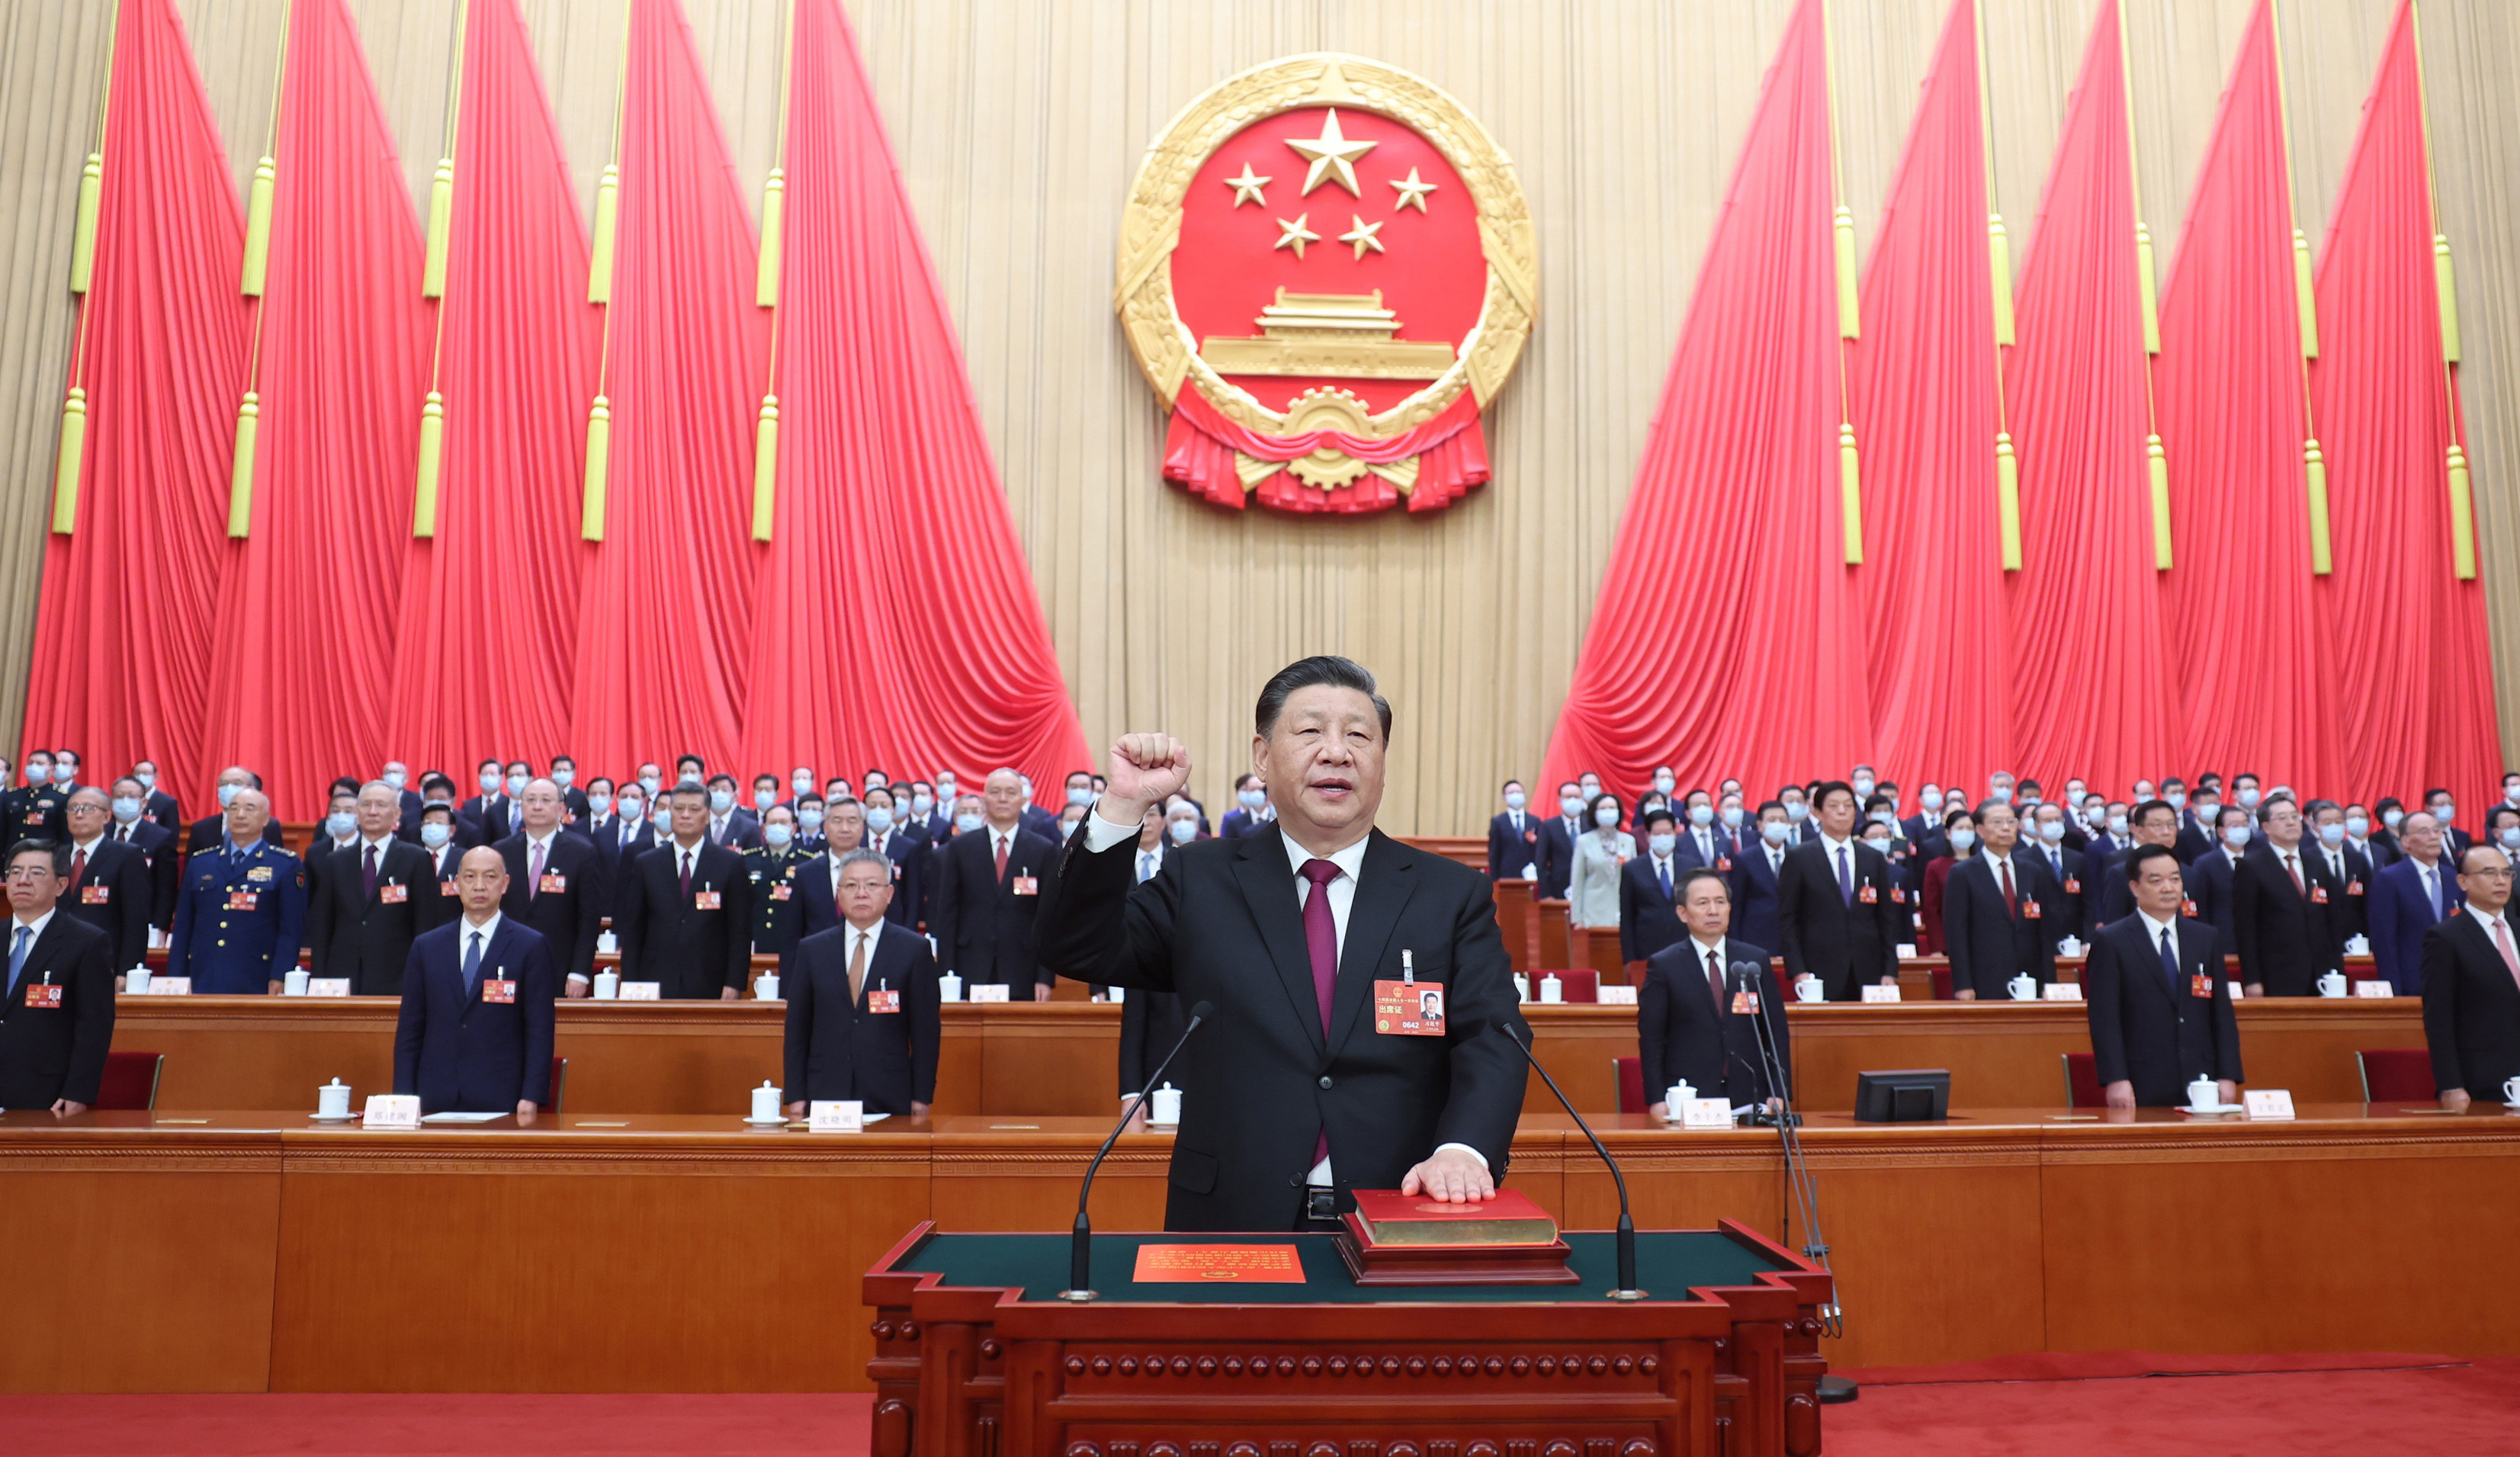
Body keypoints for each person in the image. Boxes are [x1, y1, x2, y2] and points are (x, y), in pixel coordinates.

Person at [1033, 655, 1527, 1231]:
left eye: (1359, 736)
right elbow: (1076, 947)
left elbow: (1494, 1038)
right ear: (1262, 758)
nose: (1337, 752)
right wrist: (1122, 806)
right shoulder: (1200, 878)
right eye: (1311, 731)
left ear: (1382, 764)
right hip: (1231, 1214)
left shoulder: (1450, 894)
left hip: (1397, 1208)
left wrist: (1463, 1149)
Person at [391, 846, 557, 1115]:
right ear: (456, 884)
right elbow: (410, 1028)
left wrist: (532, 1095)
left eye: (490, 877)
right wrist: (403, 1095)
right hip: (433, 1094)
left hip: (503, 1095)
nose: (479, 886)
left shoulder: (530, 946)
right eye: (470, 877)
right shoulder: (427, 947)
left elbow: (539, 1029)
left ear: (505, 885)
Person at [780, 849, 941, 1119]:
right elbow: (797, 1028)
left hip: (891, 1092)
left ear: (889, 894)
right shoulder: (812, 950)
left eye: (872, 885)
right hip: (824, 1091)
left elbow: (926, 1032)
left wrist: (921, 1095)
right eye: (851, 885)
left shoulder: (913, 950)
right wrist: (796, 1096)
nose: (861, 893)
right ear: (838, 894)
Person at [2083, 845, 2242, 1109]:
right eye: (2156, 881)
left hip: (2202, 1077)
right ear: (2134, 887)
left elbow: (2221, 1012)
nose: (2168, 887)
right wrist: (2116, 1078)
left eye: (2175, 879)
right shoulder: (2112, 941)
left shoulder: (2205, 938)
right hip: (2142, 1076)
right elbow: (2104, 1018)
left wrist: (2229, 1074)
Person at [1639, 867, 1789, 1116]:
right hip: (1688, 1092)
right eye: (1703, 903)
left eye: (1720, 902)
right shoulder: (1664, 965)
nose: (1713, 910)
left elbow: (1775, 1033)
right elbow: (1652, 1040)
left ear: (1730, 907)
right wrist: (1656, 1098)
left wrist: (1779, 1091)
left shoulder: (1754, 961)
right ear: (1682, 913)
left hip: (1749, 1092)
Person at [0, 839, 116, 1112]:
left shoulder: (87, 942)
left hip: (46, 1093)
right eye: (15, 872)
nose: (23, 880)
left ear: (61, 885)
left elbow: (94, 1025)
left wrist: (78, 1091)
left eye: (36, 873)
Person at [930, 769, 1061, 1000]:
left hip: (1023, 969)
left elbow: (1049, 918)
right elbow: (947, 915)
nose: (1002, 798)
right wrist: (946, 975)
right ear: (984, 799)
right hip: (968, 966)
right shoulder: (960, 848)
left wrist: (1045, 977)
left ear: (1023, 799)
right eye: (995, 792)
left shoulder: (1043, 850)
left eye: (1011, 792)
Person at [615, 783, 751, 999]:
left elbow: (739, 931)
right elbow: (633, 930)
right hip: (654, 980)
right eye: (678, 809)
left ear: (707, 816)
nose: (685, 815)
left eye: (694, 809)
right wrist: (630, 983)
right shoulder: (646, 863)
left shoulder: (730, 864)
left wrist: (734, 983)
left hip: (711, 980)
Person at [165, 787, 307, 994]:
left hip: (257, 975)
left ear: (266, 819)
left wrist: (280, 974)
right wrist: (176, 976)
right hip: (203, 974)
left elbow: (291, 929)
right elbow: (184, 926)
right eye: (234, 808)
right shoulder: (201, 862)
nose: (240, 815)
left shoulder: (285, 864)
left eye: (250, 809)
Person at [1777, 781, 1902, 1000]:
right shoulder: (1800, 858)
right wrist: (1798, 971)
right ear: (1817, 812)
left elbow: (1886, 919)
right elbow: (1788, 920)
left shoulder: (1872, 858)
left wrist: (1890, 970)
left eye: (1848, 805)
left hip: (1869, 970)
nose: (1842, 811)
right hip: (1818, 971)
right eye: (1834, 806)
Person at [303, 781, 431, 995]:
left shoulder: (415, 859)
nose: (373, 812)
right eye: (366, 805)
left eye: (381, 805)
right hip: (341, 976)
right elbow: (323, 925)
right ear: (357, 812)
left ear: (396, 813)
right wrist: (319, 977)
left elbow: (424, 925)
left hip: (397, 975)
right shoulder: (335, 862)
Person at [2422, 843, 2520, 1111]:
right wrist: (2451, 1085)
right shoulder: (2446, 938)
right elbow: (2439, 1019)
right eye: (2489, 873)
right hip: (2483, 1076)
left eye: (2506, 873)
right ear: (2463, 881)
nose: (2501, 881)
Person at [498, 778, 608, 997]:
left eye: (545, 800)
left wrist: (579, 972)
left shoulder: (582, 853)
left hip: (559, 965)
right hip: (506, 963)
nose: (537, 806)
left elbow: (589, 918)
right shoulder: (501, 852)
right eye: (530, 800)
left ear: (561, 808)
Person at [1942, 799, 2059, 1000]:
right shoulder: (1962, 874)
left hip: (2031, 978)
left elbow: (2045, 933)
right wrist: (1963, 985)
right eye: (1997, 822)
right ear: (1979, 830)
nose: (2005, 828)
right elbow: (1957, 934)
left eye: (2011, 822)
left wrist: (2050, 982)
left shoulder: (2033, 872)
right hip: (1985, 978)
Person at [2233, 796, 2335, 996]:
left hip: (2322, 974)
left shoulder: (2317, 864)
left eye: (2294, 816)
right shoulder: (2251, 866)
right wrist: (2253, 980)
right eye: (2282, 817)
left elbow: (2332, 920)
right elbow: (2245, 928)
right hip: (2277, 975)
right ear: (2266, 827)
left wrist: (2336, 969)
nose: (2291, 822)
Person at [56, 786, 150, 975]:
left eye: (88, 808)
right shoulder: (55, 855)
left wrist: (127, 971)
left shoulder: (127, 856)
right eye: (73, 809)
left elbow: (135, 921)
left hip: (104, 963)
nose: (79, 815)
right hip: (57, 961)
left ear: (107, 817)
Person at [2371, 810, 2459, 993]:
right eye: (2424, 832)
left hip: (2455, 981)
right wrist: (2394, 989)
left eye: (2437, 830)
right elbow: (2385, 941)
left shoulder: (2454, 878)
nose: (2434, 836)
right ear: (2406, 842)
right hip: (2413, 981)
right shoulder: (2389, 879)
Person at [104, 776, 178, 932]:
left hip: (143, 922)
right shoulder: (101, 832)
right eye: (119, 797)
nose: (125, 801)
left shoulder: (160, 836)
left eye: (131, 797)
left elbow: (165, 888)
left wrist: (160, 926)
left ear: (144, 803)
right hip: (103, 920)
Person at [743, 804, 811, 970]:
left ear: (794, 828)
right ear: (764, 829)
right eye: (773, 823)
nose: (778, 827)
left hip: (793, 944)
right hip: (755, 943)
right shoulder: (747, 860)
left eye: (783, 822)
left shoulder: (807, 863)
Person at [1618, 806, 1687, 968]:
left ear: (1675, 834)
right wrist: (1629, 958)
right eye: (1657, 834)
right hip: (1647, 949)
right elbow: (1627, 917)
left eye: (1667, 833)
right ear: (1648, 836)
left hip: (1684, 946)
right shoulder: (1632, 869)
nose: (1663, 837)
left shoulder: (1690, 866)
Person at [2305, 799, 2374, 961]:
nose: (2334, 826)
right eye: (2327, 822)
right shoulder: (2307, 859)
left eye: (2338, 821)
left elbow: (2368, 901)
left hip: (2355, 939)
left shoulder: (2357, 859)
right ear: (2315, 826)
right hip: (2319, 939)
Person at [186, 767, 283, 864]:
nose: (229, 789)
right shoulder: (201, 828)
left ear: (252, 788)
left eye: (236, 783)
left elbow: (277, 864)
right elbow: (191, 872)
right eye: (223, 784)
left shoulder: (269, 826)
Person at [1567, 792, 1632, 932]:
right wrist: (1577, 918)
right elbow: (1578, 882)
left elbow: (1635, 878)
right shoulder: (1584, 842)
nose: (1608, 812)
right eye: (1603, 808)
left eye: (1612, 808)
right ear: (1594, 813)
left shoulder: (1629, 841)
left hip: (1624, 910)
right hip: (1593, 912)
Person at [1732, 801, 1793, 952]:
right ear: (1760, 825)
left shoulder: (1798, 856)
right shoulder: (1744, 859)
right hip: (1757, 938)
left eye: (1783, 820)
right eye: (1772, 820)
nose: (1778, 824)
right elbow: (1736, 904)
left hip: (1793, 936)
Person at [2025, 802, 2089, 945]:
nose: (2054, 824)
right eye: (2048, 820)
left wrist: (2088, 939)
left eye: (2058, 820)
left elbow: (2088, 902)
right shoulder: (2024, 859)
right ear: (2036, 825)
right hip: (2040, 937)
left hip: (2075, 937)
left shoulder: (2077, 858)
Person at [1918, 807, 1977, 955]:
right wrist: (1937, 948)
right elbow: (1932, 911)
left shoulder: (1983, 864)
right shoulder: (1936, 867)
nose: (1965, 832)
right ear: (1948, 833)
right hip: (1951, 941)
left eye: (1969, 828)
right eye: (1960, 828)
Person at [413, 803, 466, 935]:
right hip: (416, 933)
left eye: (439, 823)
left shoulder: (465, 859)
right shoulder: (411, 858)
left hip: (454, 931)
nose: (433, 828)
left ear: (452, 830)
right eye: (428, 823)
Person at [1535, 781, 1587, 902]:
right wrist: (1546, 894)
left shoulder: (1591, 826)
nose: (1573, 800)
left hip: (1588, 888)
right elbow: (1541, 862)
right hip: (1558, 889)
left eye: (1576, 797)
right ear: (1560, 800)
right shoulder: (1548, 826)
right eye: (1568, 797)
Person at [1486, 779, 1542, 881]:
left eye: (1519, 792)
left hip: (1531, 874)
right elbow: (1494, 853)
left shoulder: (1535, 821)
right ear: (1504, 798)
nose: (1516, 795)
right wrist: (1494, 879)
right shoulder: (1498, 822)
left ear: (1524, 796)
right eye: (1511, 793)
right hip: (1506, 875)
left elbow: (1540, 850)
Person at [133, 759, 182, 835]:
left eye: (146, 774)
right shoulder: (126, 800)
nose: (140, 777)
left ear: (155, 776)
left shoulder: (167, 802)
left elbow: (171, 835)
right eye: (137, 773)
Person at [1222, 773, 1275, 841]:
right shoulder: (1234, 822)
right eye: (1253, 789)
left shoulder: (1276, 819)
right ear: (1247, 792)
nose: (1257, 793)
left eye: (1261, 789)